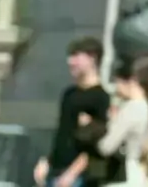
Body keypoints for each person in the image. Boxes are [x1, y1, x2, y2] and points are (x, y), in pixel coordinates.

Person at [36, 37, 110, 187]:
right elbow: (62, 132)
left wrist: (72, 173)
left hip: (78, 176)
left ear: (92, 58)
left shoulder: (101, 98)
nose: (70, 62)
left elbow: (96, 144)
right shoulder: (69, 94)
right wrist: (46, 161)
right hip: (55, 170)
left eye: (76, 56)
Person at [95, 56, 148, 187]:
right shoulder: (146, 106)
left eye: (117, 82)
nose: (116, 88)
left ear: (130, 81)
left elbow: (106, 147)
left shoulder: (131, 108)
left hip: (122, 176)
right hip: (137, 172)